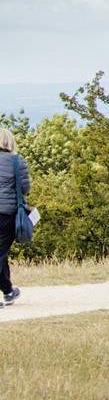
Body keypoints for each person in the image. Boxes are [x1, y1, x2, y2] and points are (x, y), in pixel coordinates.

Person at [0, 124, 27, 307]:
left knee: (1, 254)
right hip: (7, 214)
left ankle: (8, 291)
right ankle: (8, 291)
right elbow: (25, 188)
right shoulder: (17, 161)